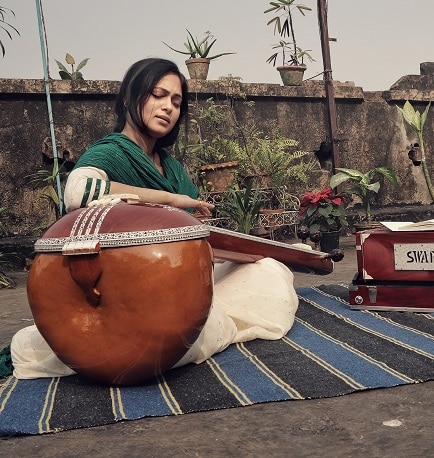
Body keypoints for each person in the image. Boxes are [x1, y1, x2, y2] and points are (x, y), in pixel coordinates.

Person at [11, 58, 299, 379]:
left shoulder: (169, 165)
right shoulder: (113, 151)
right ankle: (143, 344)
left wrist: (233, 252)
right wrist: (171, 199)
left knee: (268, 268)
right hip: (127, 287)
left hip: (178, 277)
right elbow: (78, 191)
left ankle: (168, 338)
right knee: (210, 318)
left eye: (176, 102)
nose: (168, 108)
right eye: (158, 95)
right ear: (131, 98)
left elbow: (193, 236)